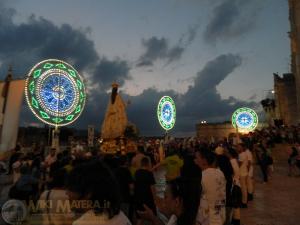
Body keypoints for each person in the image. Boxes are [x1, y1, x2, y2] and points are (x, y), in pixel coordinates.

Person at [66, 160, 131, 225]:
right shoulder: (118, 214)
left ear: (88, 193)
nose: (67, 193)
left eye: (70, 188)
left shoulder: (83, 223)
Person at [194, 149, 226, 225]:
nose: (195, 160)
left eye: (197, 158)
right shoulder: (219, 172)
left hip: (208, 219)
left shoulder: (204, 175)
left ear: (204, 160)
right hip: (220, 214)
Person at [134, 157, 156, 225]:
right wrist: (155, 199)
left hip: (138, 198)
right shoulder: (149, 174)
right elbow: (152, 188)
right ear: (148, 164)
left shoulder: (137, 173)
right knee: (153, 217)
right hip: (148, 198)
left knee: (140, 218)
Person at [237, 143, 248, 208]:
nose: (237, 148)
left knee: (243, 188)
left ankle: (244, 202)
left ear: (242, 148)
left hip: (242, 173)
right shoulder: (243, 154)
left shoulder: (242, 155)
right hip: (244, 172)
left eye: (239, 147)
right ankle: (244, 201)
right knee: (244, 187)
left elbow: (239, 165)